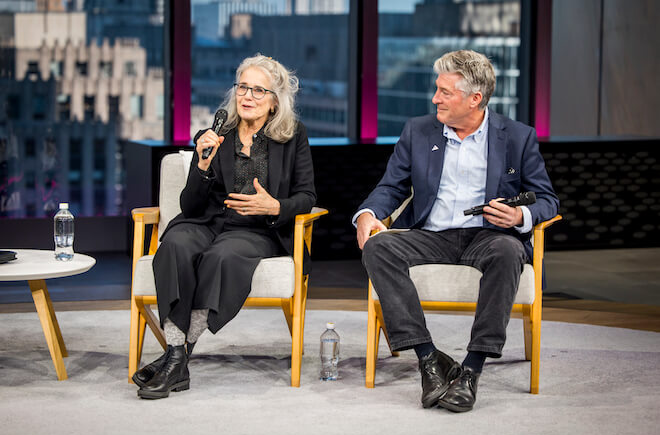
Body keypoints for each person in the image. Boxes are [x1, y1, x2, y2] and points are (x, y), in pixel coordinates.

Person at [354, 50, 559, 412]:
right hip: (431, 234)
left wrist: (519, 217)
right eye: (437, 90)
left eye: (445, 92)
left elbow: (547, 200)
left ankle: (472, 369)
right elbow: (392, 187)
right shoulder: (418, 131)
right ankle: (429, 358)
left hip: (488, 236)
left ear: (474, 98)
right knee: (378, 248)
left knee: (509, 252)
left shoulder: (517, 137)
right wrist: (369, 214)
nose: (435, 99)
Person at [133, 54, 316, 399]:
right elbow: (190, 206)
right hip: (208, 221)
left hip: (257, 230)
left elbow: (307, 195)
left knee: (223, 257)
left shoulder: (292, 136)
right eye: (242, 87)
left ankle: (175, 358)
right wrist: (202, 166)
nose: (247, 96)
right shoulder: (217, 134)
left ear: (275, 101)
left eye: (258, 90)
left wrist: (275, 205)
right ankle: (177, 357)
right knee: (175, 244)